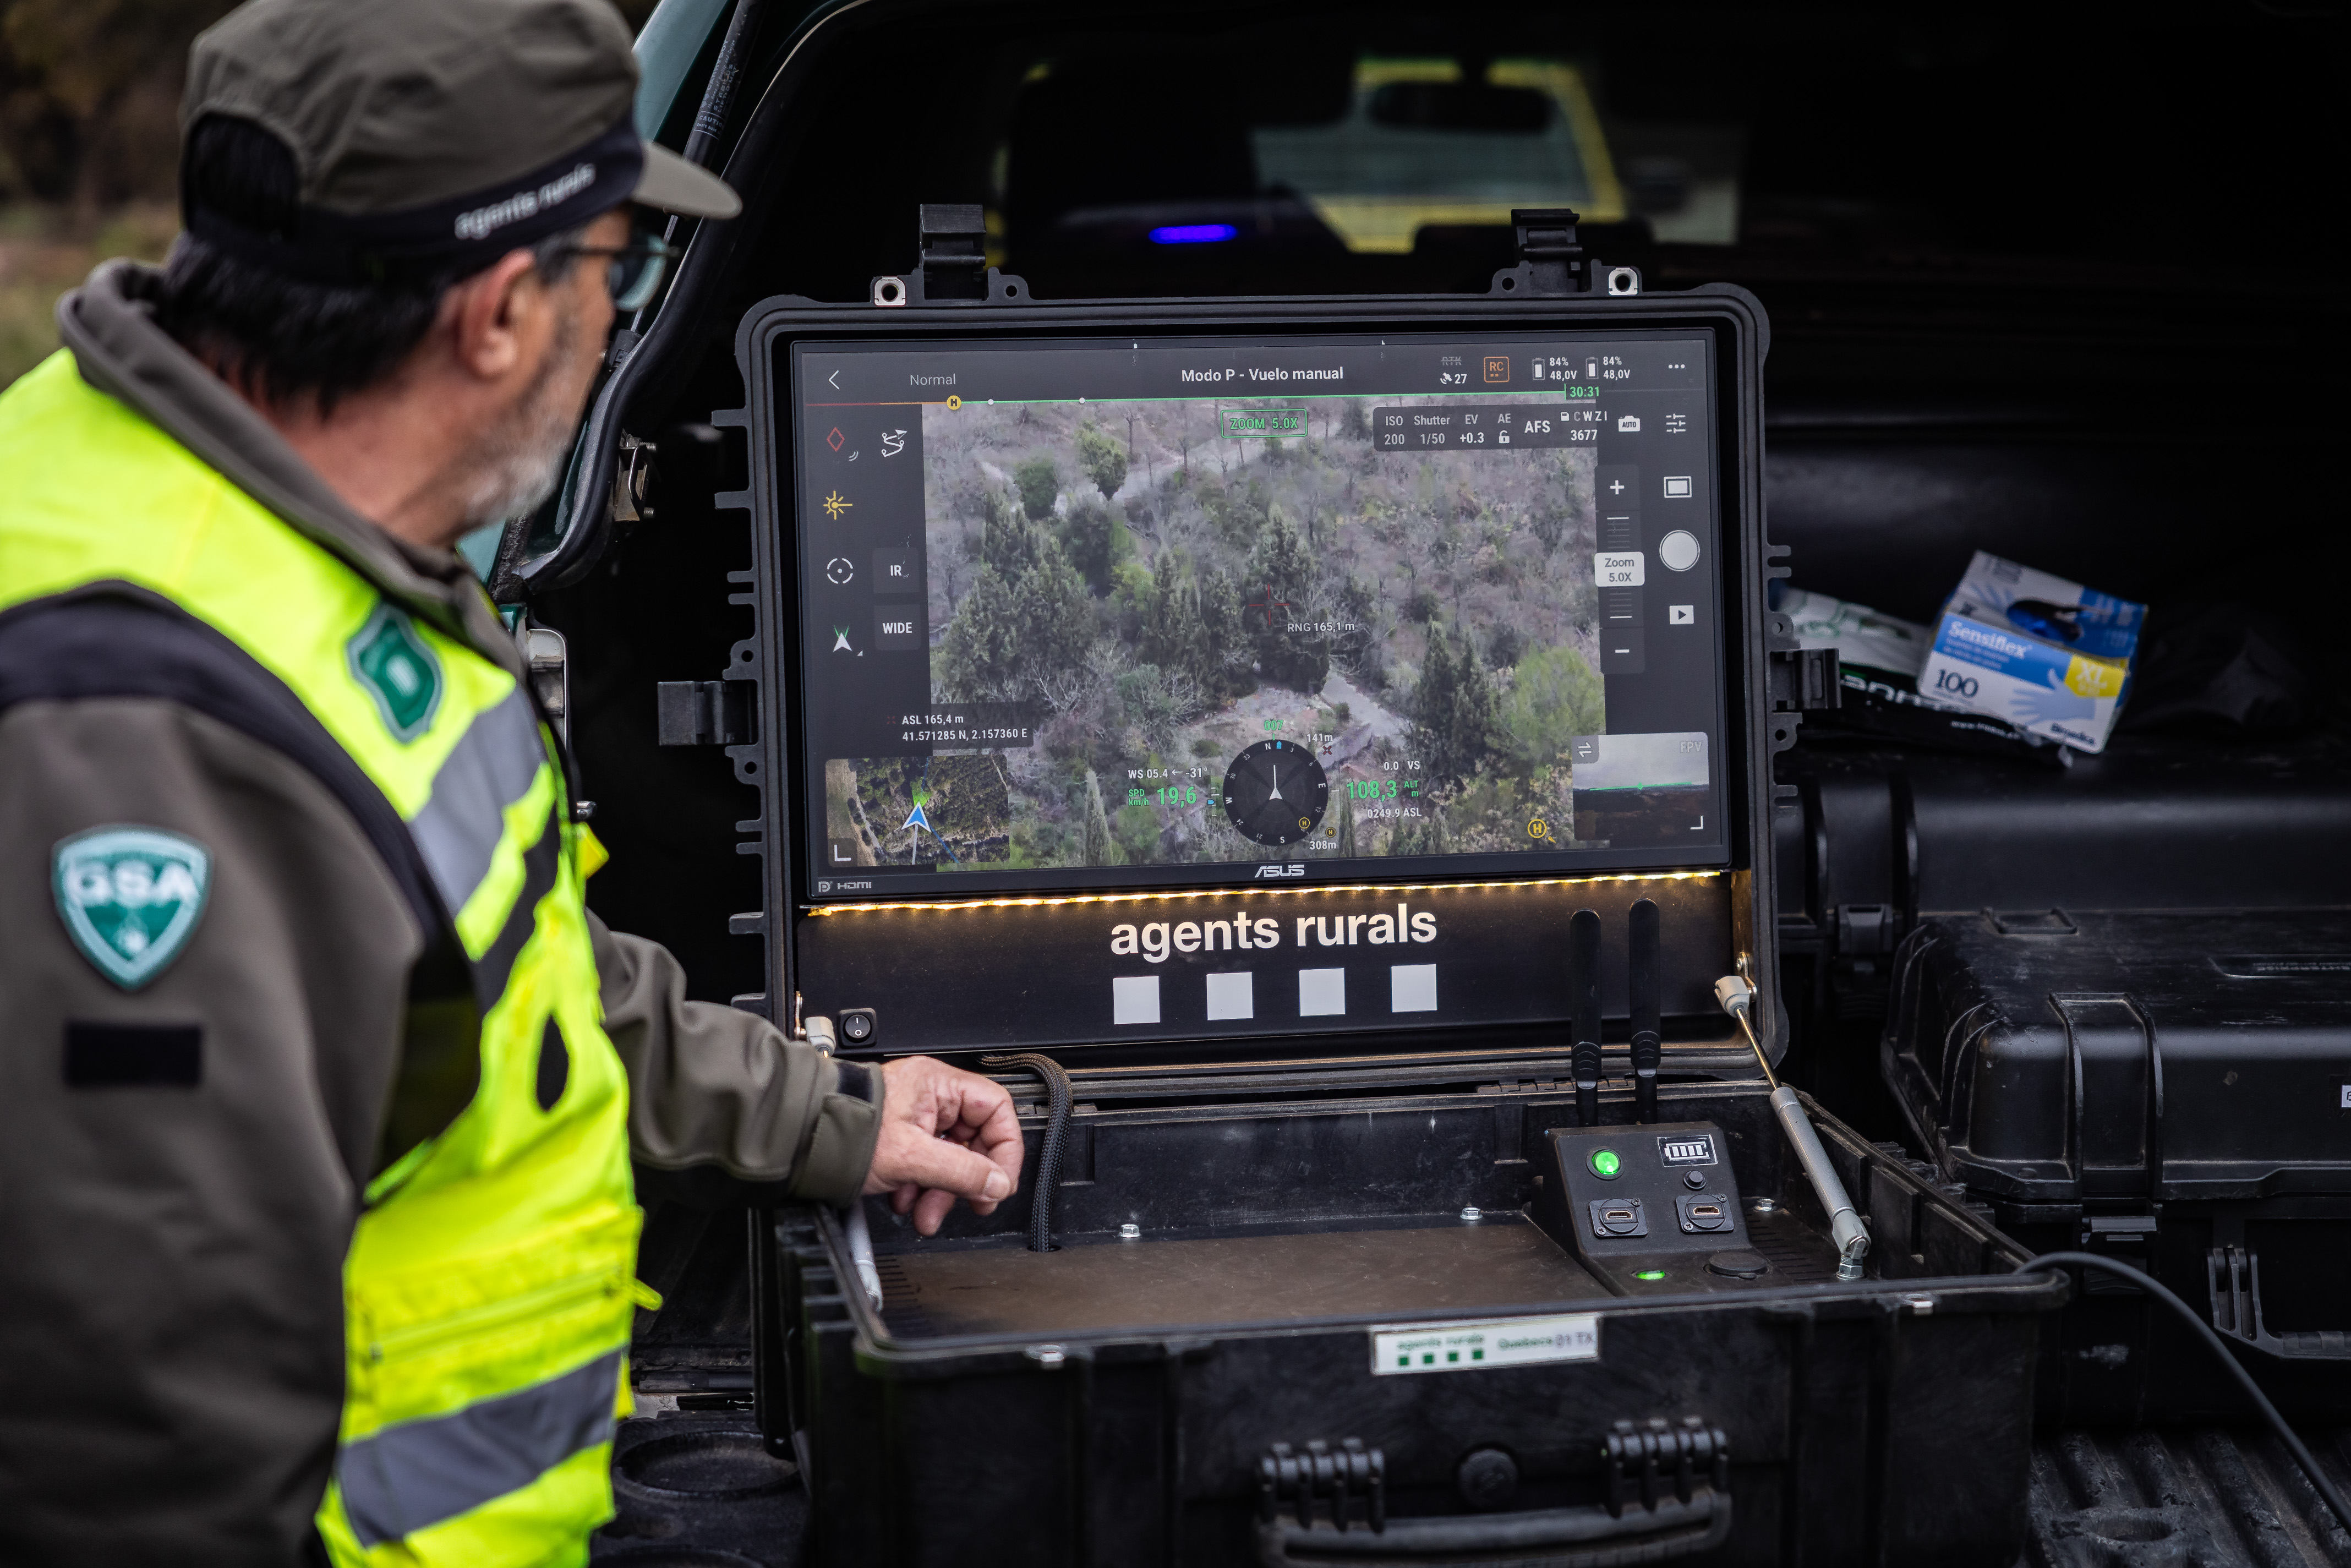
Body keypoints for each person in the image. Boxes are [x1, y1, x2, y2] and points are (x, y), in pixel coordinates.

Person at [0, 0, 1024, 1562]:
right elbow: (142, 1445)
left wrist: (841, 1113)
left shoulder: (297, 517)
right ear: (492, 316)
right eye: (612, 272)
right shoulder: (145, 736)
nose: (619, 325)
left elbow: (501, 961)